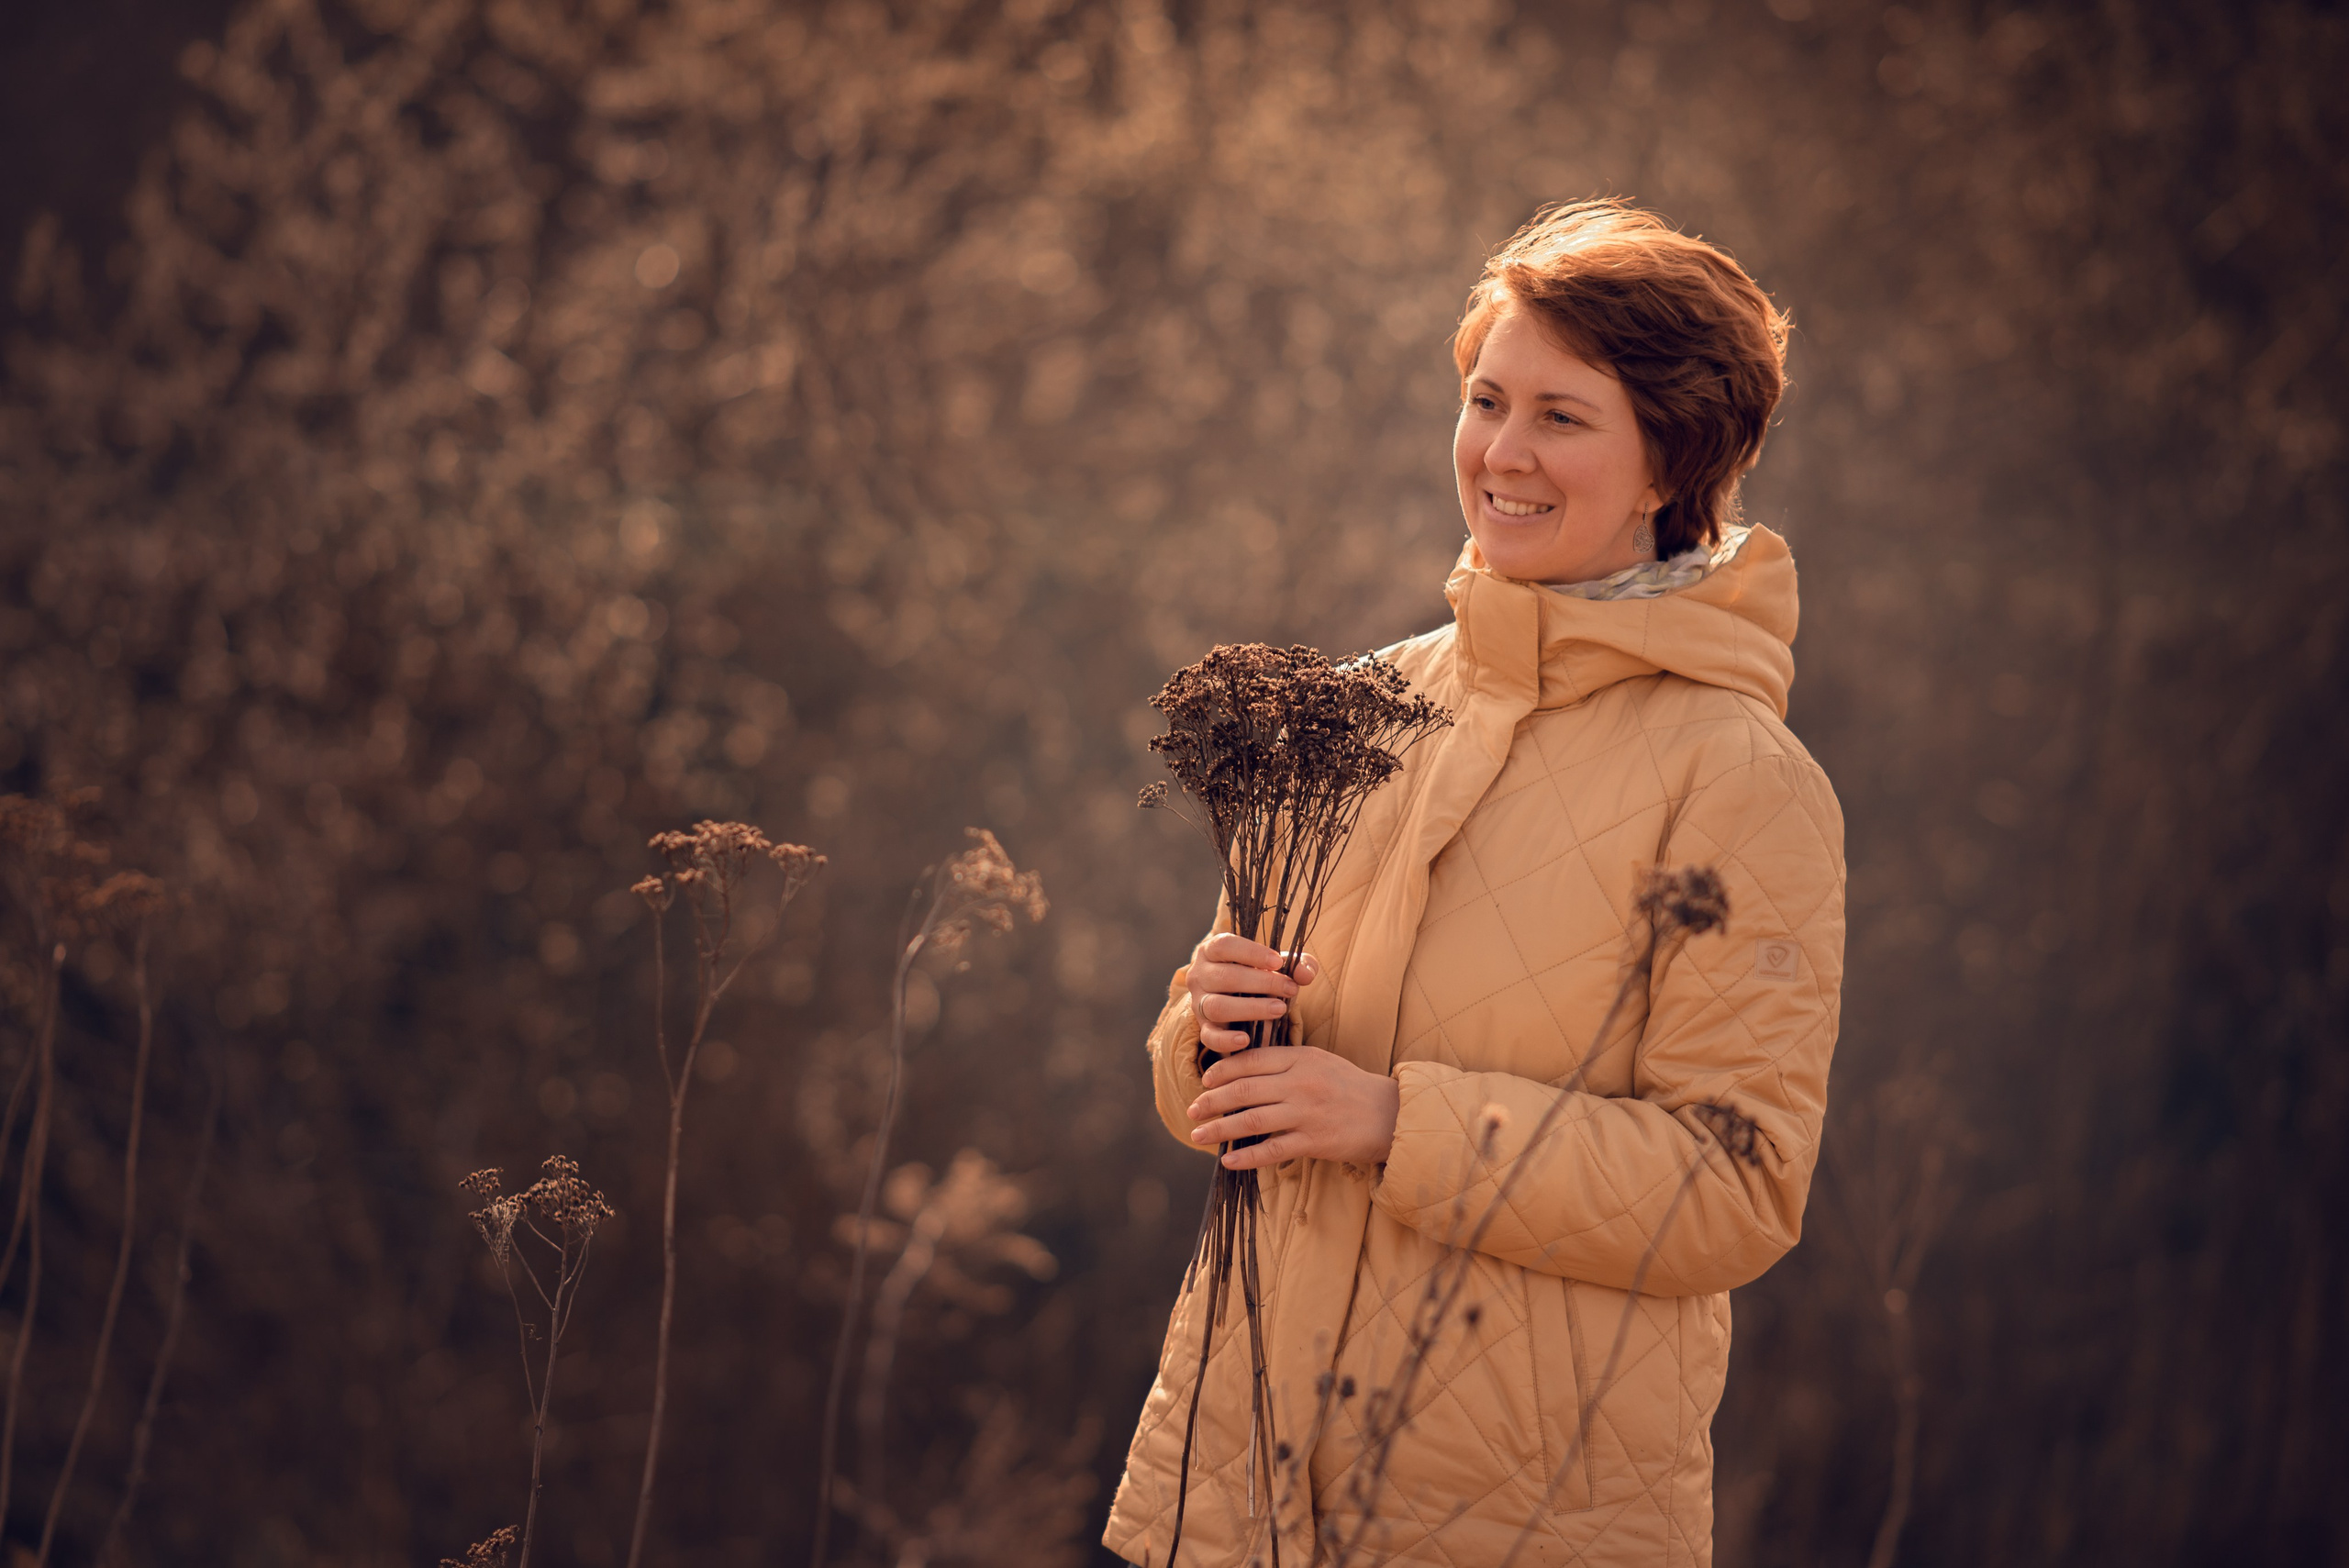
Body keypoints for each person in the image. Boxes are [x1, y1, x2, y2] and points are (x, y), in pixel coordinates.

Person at [1105, 200, 1846, 1567]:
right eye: (1486, 398)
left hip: (1518, 1524)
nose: (1501, 452)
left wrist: (1397, 1121)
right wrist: (1201, 1028)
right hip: (1238, 1500)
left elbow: (1737, 1186)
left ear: (1667, 465)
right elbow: (1205, 1099)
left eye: (1562, 417)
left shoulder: (1741, 777)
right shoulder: (1356, 709)